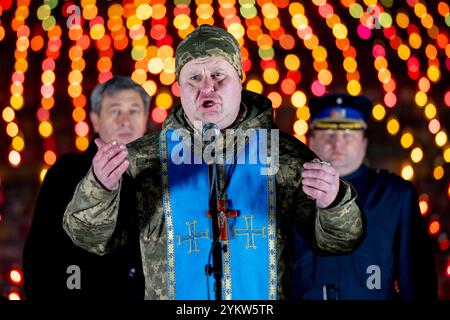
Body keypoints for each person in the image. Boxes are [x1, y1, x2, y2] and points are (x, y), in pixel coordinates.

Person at [62, 25, 364, 300]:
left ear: (239, 80)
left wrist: (334, 201)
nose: (208, 88)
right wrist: (100, 186)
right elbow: (90, 238)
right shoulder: (143, 159)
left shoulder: (285, 155)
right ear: (179, 87)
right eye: (194, 77)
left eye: (219, 75)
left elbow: (339, 242)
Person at [291, 93, 438, 300]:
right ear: (311, 139)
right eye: (328, 133)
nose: (338, 143)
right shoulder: (286, 195)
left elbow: (416, 281)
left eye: (349, 133)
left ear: (364, 142)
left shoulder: (394, 195)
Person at [23, 76, 150, 300]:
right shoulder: (67, 172)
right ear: (95, 120)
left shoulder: (159, 174)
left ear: (145, 118)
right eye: (114, 110)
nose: (125, 120)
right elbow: (40, 256)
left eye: (134, 110)